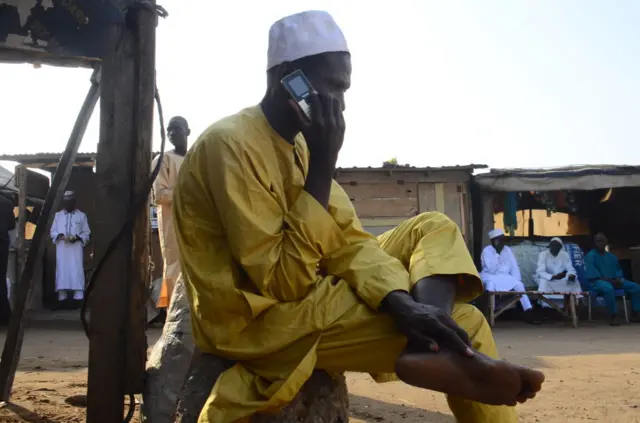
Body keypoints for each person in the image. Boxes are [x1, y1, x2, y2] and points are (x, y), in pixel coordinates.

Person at [172, 10, 544, 423]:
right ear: (289, 78)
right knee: (467, 322)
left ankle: (428, 332)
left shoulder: (300, 145)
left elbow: (346, 242)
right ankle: (443, 341)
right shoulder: (231, 145)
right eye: (332, 88)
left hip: (308, 283)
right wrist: (324, 164)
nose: (340, 104)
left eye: (344, 90)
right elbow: (281, 282)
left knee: (434, 226)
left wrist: (401, 303)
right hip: (261, 318)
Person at [151, 116, 190, 313]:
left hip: (195, 222)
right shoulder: (163, 159)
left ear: (188, 132)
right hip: (173, 223)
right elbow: (160, 195)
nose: (172, 134)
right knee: (175, 267)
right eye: (169, 130)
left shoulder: (195, 158)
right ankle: (174, 315)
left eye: (177, 129)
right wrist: (188, 194)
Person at [480, 229, 539, 324]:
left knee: (519, 285)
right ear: (493, 241)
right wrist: (497, 253)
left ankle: (528, 312)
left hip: (505, 277)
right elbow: (491, 269)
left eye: (502, 240)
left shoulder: (507, 249)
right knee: (490, 286)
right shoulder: (487, 250)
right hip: (490, 276)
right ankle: (490, 313)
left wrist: (517, 279)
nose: (501, 242)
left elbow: (514, 265)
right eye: (498, 240)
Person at [584, 232, 640, 325]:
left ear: (606, 242)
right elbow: (592, 275)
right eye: (598, 241)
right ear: (594, 243)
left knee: (636, 287)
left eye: (602, 241)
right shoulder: (590, 256)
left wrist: (618, 279)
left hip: (614, 281)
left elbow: (618, 271)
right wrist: (611, 281)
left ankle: (636, 313)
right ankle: (614, 315)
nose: (600, 243)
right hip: (596, 282)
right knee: (608, 288)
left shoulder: (612, 257)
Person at [50, 191, 91, 305]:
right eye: (66, 202)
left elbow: (86, 233)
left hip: (75, 249)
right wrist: (59, 236)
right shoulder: (58, 216)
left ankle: (78, 298)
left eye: (70, 202)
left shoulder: (81, 216)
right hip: (62, 248)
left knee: (76, 269)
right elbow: (53, 231)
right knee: (62, 270)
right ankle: (62, 298)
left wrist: (77, 238)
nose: (68, 204)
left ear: (74, 202)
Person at [0, 192, 15, 325]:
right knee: (1, 279)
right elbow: (12, 225)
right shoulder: (7, 203)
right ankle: (4, 316)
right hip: (2, 244)